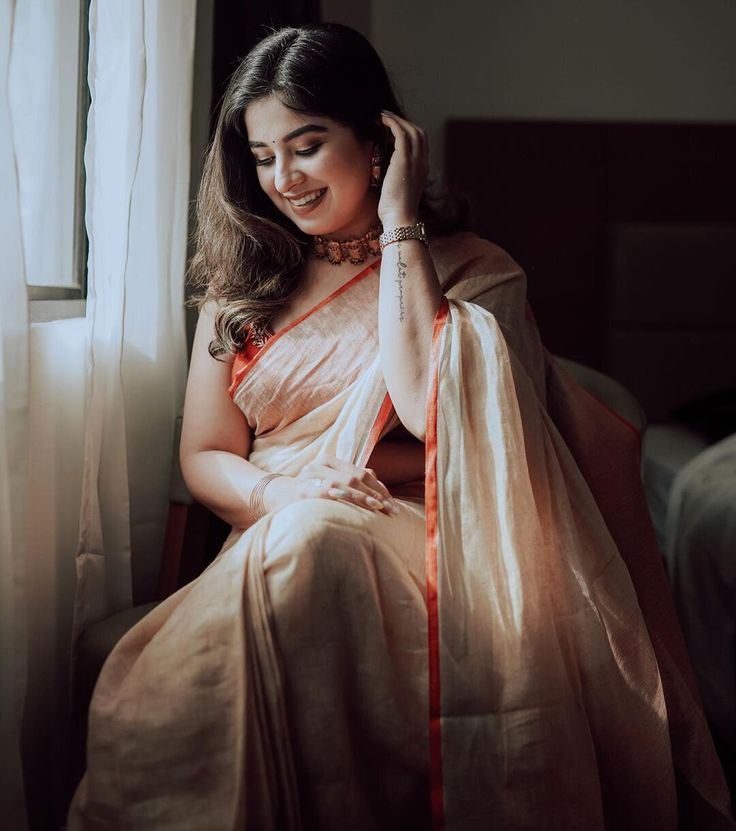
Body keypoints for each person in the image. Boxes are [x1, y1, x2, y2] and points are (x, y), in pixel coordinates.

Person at [68, 23, 735, 830]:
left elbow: (430, 408)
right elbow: (206, 454)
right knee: (305, 537)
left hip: (423, 543)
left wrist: (399, 229)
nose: (284, 177)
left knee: (318, 539)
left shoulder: (475, 270)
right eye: (263, 154)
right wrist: (280, 489)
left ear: (379, 140)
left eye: (308, 145)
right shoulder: (241, 281)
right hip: (276, 524)